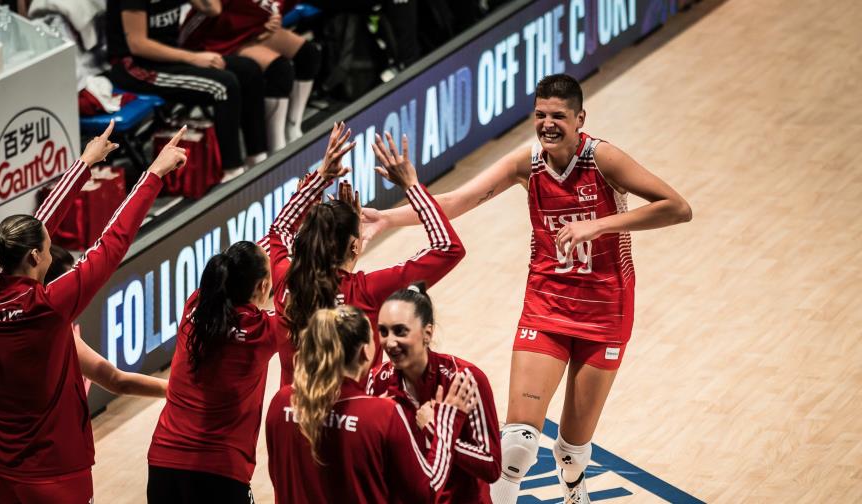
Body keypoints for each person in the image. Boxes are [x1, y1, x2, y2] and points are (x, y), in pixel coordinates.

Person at [361, 74, 693, 503]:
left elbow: (677, 208)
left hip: (606, 309)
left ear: (580, 119)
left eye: (558, 116)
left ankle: (574, 482)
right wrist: (389, 218)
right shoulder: (527, 164)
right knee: (516, 444)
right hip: (546, 306)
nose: (548, 124)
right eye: (540, 115)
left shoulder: (603, 159)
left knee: (573, 450)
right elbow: (459, 199)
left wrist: (600, 224)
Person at [0, 121, 187, 503]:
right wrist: (153, 174)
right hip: (56, 477)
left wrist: (84, 164)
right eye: (49, 250)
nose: (52, 255)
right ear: (35, 258)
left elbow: (35, 229)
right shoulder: (47, 307)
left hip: (4, 475)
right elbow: (111, 243)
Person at [267, 122, 465, 385]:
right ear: (354, 246)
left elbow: (280, 229)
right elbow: (448, 248)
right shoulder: (368, 291)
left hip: (291, 416)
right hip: (357, 420)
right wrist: (412, 186)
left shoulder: (285, 280)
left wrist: (321, 177)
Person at [265, 304, 478, 503]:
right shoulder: (382, 415)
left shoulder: (281, 401)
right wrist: (448, 424)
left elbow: (278, 477)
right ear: (365, 351)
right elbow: (427, 490)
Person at [146, 240, 278, 503]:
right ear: (263, 286)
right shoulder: (262, 331)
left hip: (163, 463)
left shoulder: (195, 306)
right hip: (220, 473)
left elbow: (240, 264)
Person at [367, 283, 501, 503]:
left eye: (400, 331)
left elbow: (491, 466)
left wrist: (434, 430)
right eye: (383, 331)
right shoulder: (377, 381)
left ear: (427, 333)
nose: (389, 343)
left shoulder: (466, 379)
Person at [107, 0, 268, 172]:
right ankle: (233, 172)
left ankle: (258, 160)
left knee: (249, 70)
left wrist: (191, 57)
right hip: (137, 66)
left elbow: (213, 8)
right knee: (223, 86)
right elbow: (138, 45)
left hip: (171, 57)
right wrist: (193, 58)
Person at [181, 0, 321, 151]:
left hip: (252, 31)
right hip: (218, 41)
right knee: (278, 69)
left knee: (308, 54)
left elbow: (275, 10)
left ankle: (293, 127)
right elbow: (203, 18)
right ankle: (277, 147)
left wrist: (272, 21)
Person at [45, 245, 168, 398]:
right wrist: (180, 390)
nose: (78, 289)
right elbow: (116, 381)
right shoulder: (51, 331)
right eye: (71, 284)